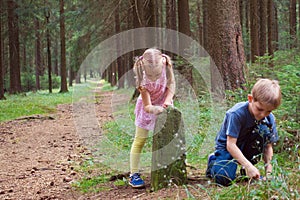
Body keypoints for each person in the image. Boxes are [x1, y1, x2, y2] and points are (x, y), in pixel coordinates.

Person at [206, 79, 282, 186]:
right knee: (224, 179)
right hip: (228, 147)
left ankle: (243, 165)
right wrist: (248, 166)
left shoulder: (269, 119)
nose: (263, 114)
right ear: (250, 99)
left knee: (263, 130)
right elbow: (230, 144)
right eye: (259, 109)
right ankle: (214, 160)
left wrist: (269, 172)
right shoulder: (236, 114)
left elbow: (268, 147)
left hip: (249, 145)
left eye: (268, 111)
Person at [129, 48, 176, 188]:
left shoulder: (166, 65)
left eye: (157, 74)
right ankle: (134, 174)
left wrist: (167, 100)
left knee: (169, 137)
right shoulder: (143, 82)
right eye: (151, 75)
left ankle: (172, 165)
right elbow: (147, 106)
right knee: (139, 141)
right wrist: (156, 109)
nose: (155, 77)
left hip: (164, 103)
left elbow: (171, 84)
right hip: (148, 108)